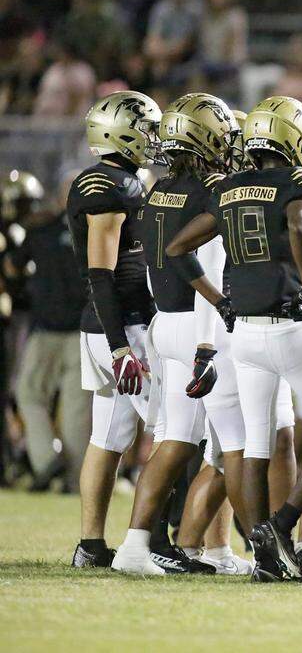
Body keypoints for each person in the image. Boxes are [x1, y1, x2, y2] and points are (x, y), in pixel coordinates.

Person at [165, 95, 302, 582]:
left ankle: (266, 556)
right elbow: (296, 222)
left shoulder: (228, 186)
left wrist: (218, 299)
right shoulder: (300, 182)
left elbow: (177, 247)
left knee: (255, 445)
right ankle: (281, 525)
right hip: (288, 327)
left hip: (243, 333)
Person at [109, 93, 246, 576]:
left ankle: (148, 546)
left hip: (165, 321)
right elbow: (210, 265)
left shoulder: (157, 189)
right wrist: (212, 336)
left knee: (176, 439)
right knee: (222, 445)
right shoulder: (214, 189)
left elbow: (153, 268)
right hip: (200, 324)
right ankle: (247, 549)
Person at [67, 90, 160, 568]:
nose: (152, 138)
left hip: (110, 326)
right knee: (171, 434)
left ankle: (91, 544)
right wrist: (121, 345)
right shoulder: (111, 186)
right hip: (124, 327)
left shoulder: (118, 178)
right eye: (145, 128)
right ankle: (154, 544)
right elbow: (100, 274)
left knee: (108, 437)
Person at [7, 173, 88, 492]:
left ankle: (45, 461)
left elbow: (14, 266)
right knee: (77, 411)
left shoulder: (40, 228)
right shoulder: (94, 227)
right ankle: (77, 482)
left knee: (29, 394)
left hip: (46, 330)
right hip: (83, 331)